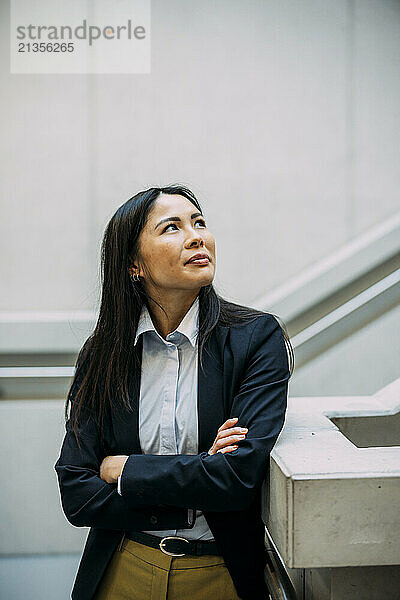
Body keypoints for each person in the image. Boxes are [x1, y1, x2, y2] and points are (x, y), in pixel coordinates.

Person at [55, 185, 294, 600]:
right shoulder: (103, 353)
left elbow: (237, 477)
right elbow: (76, 490)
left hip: (220, 573)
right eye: (172, 227)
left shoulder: (256, 339)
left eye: (199, 222)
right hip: (122, 568)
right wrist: (199, 475)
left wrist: (125, 470)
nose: (196, 235)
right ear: (134, 265)